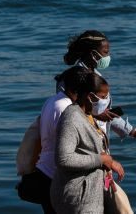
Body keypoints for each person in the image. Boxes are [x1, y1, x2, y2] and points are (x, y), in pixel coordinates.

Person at [64, 30, 136, 153]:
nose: (108, 56)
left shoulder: (96, 76)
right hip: (84, 148)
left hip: (99, 145)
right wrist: (96, 115)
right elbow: (67, 112)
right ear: (93, 53)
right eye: (105, 52)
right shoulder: (72, 77)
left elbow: (106, 114)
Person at [51, 70, 124, 214]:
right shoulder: (72, 118)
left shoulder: (87, 115)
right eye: (103, 97)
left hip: (88, 195)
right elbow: (63, 159)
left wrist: (108, 161)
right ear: (90, 96)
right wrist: (100, 159)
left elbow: (87, 148)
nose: (106, 101)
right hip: (79, 197)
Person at [26, 67, 91, 214]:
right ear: (81, 89)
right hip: (56, 177)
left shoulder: (52, 101)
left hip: (45, 170)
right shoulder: (66, 108)